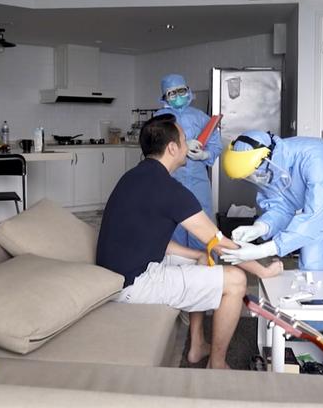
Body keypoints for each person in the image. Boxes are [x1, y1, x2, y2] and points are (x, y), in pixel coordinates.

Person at [96, 114, 279, 369]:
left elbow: (149, 236)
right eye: (184, 140)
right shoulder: (170, 190)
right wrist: (263, 269)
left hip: (120, 275)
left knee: (200, 256)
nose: (190, 144)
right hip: (135, 285)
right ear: (172, 148)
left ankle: (196, 346)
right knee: (236, 280)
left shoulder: (132, 177)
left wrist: (196, 255)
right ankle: (217, 363)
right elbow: (219, 242)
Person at [219, 131, 323, 336]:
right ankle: (312, 329)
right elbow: (280, 207)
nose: (253, 178)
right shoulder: (270, 167)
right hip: (321, 210)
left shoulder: (312, 158)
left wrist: (264, 249)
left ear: (266, 157)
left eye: (252, 172)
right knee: (312, 267)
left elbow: (312, 217)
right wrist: (260, 227)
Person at [155, 74, 223, 251]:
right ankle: (177, 268)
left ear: (189, 91)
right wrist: (182, 146)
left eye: (181, 91)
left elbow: (216, 143)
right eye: (172, 93)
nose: (177, 96)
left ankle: (205, 266)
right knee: (171, 222)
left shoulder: (201, 117)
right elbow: (155, 148)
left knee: (202, 222)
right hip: (170, 178)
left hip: (197, 180)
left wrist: (204, 154)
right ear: (164, 97)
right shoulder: (160, 120)